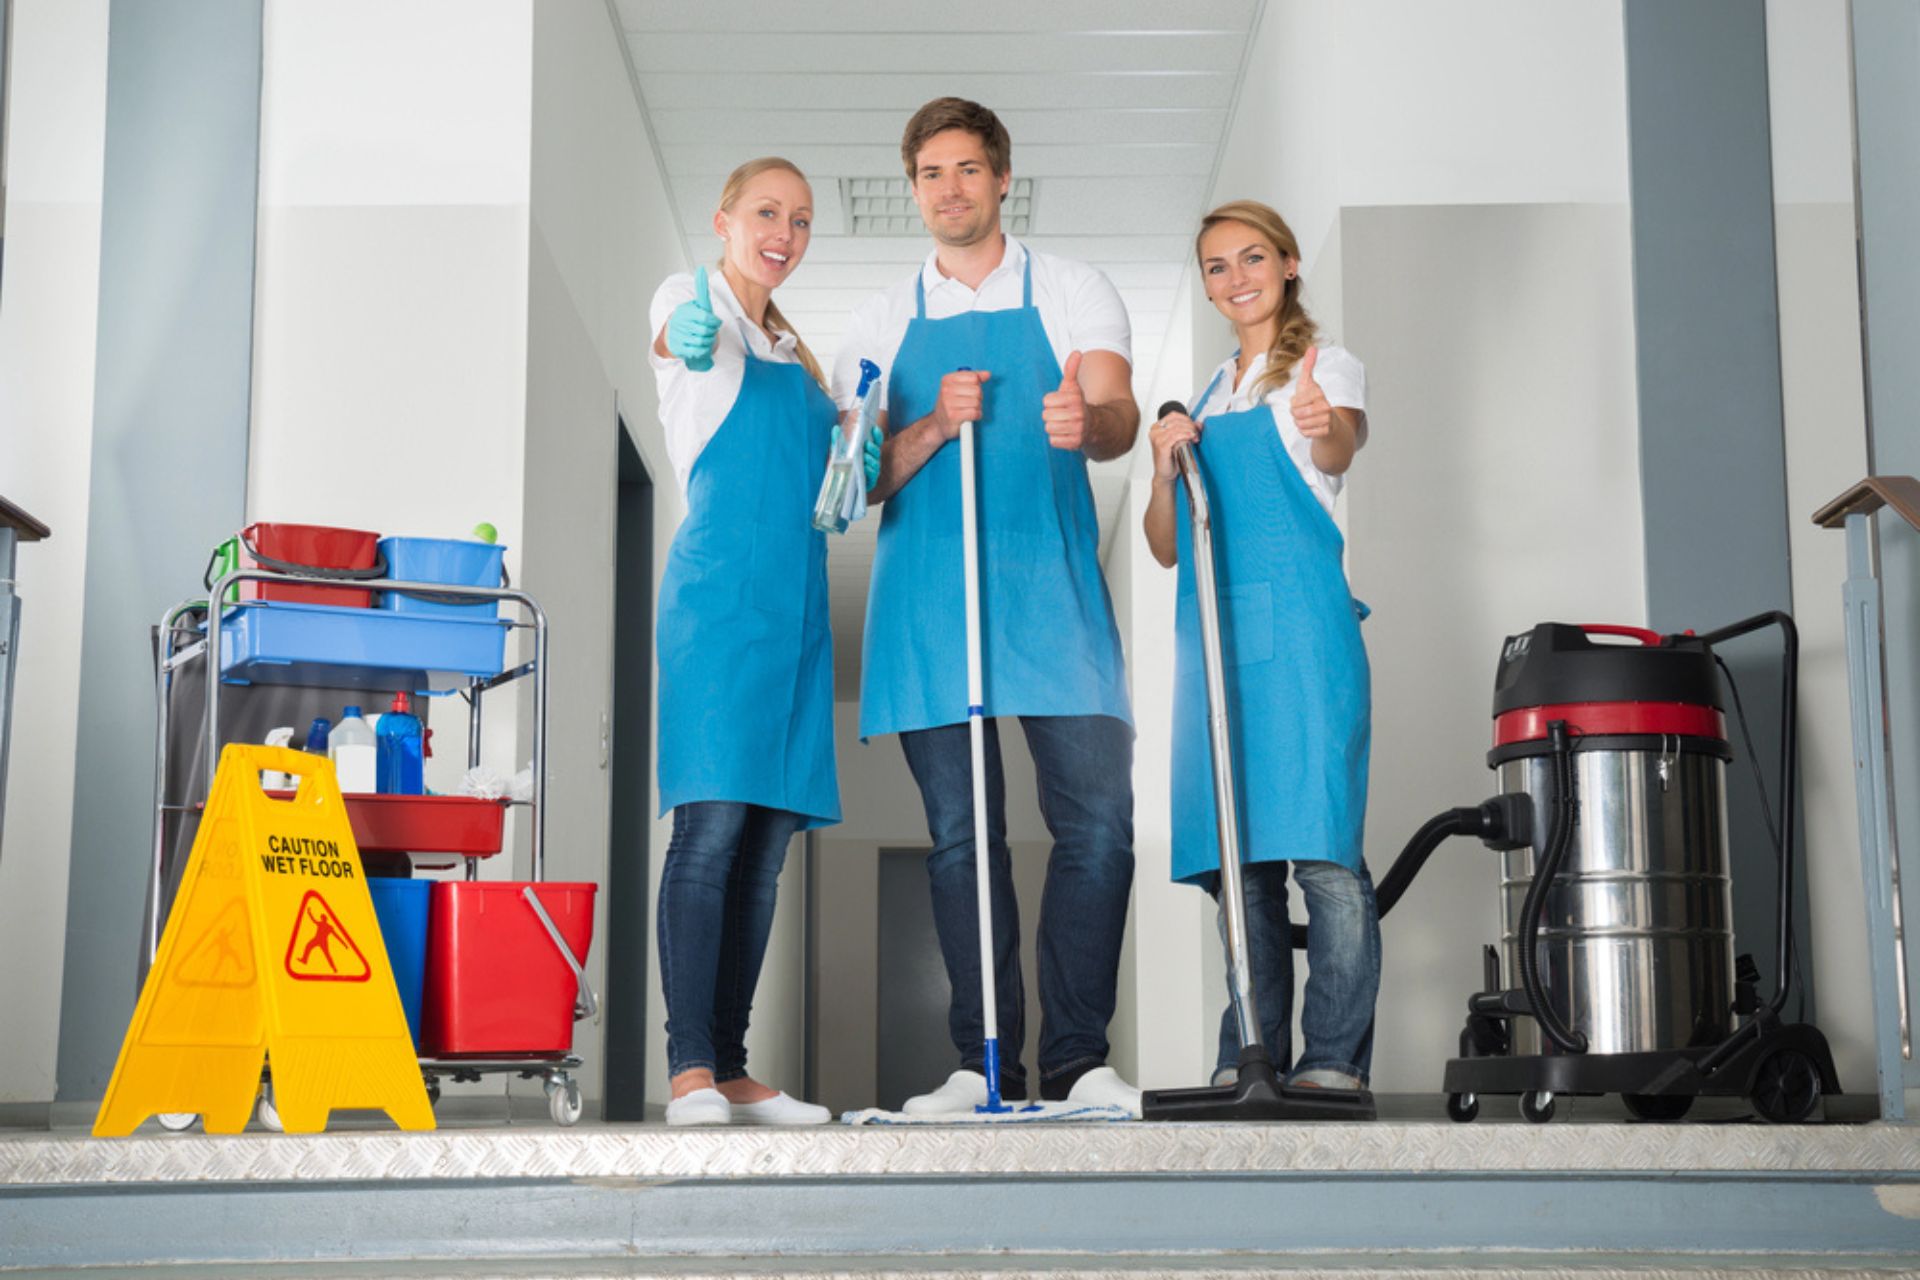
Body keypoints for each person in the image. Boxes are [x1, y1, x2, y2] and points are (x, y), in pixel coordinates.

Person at [836, 98, 1143, 1116]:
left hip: (1051, 586)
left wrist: (1085, 419)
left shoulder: (1070, 287)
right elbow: (854, 483)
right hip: (931, 600)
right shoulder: (881, 319)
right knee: (965, 837)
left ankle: (1081, 1056)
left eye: (968, 169)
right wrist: (931, 423)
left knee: (1098, 824)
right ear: (913, 186)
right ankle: (983, 1064)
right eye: (930, 173)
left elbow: (1117, 414)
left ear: (1003, 177)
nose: (949, 190)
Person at [650, 157, 879, 1126]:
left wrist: (855, 452)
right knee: (708, 830)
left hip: (793, 617)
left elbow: (839, 494)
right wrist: (683, 336)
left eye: (799, 218)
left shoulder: (797, 358)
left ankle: (736, 1063)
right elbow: (672, 335)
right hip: (715, 606)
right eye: (765, 212)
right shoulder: (690, 299)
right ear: (724, 220)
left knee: (767, 842)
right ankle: (690, 1065)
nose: (782, 230)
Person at [1142, 199, 1381, 1092]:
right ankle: (1248, 1057)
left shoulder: (1323, 368)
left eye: (1252, 259)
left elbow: (1341, 446)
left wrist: (1326, 423)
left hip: (1306, 640)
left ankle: (1330, 1061)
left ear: (1287, 265)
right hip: (1214, 645)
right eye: (1217, 266)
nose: (1236, 277)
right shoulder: (1203, 396)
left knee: (1324, 858)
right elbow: (1165, 544)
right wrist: (1167, 466)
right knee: (1238, 868)